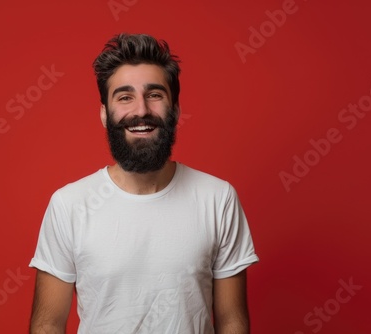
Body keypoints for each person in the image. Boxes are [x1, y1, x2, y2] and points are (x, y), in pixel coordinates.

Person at [29, 33, 259, 334]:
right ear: (104, 114)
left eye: (154, 94)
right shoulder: (69, 204)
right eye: (124, 97)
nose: (140, 110)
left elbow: (232, 321)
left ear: (174, 110)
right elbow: (48, 324)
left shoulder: (218, 198)